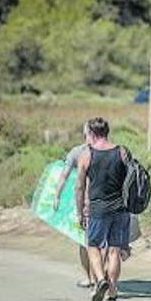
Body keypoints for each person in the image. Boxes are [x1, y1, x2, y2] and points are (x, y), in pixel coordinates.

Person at [75, 117, 130, 301]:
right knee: (114, 249)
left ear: (91, 134)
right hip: (121, 208)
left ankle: (100, 280)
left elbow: (79, 187)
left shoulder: (86, 155)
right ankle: (113, 293)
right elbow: (132, 180)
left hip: (98, 208)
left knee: (93, 246)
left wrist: (80, 212)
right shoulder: (122, 152)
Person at [54, 122, 94, 288]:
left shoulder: (77, 152)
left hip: (84, 203)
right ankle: (102, 277)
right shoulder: (110, 149)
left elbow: (64, 176)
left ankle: (89, 278)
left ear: (85, 133)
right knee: (103, 243)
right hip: (106, 202)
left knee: (84, 242)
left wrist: (57, 196)